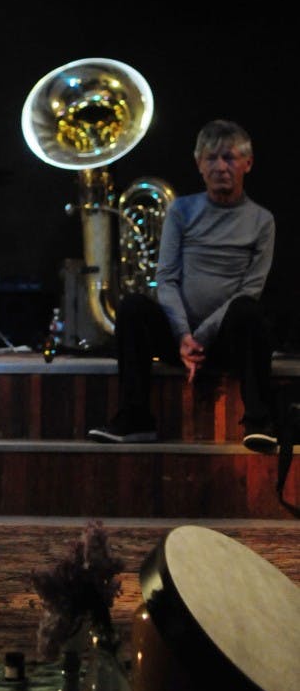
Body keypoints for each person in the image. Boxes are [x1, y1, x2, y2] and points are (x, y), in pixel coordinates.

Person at [88, 119, 276, 452]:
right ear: (198, 164)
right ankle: (135, 419)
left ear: (247, 163)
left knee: (249, 310)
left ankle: (259, 420)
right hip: (179, 338)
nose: (220, 166)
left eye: (229, 158)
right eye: (211, 158)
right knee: (132, 307)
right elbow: (167, 278)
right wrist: (183, 336)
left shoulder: (262, 220)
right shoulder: (181, 210)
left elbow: (251, 288)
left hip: (224, 341)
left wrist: (199, 338)